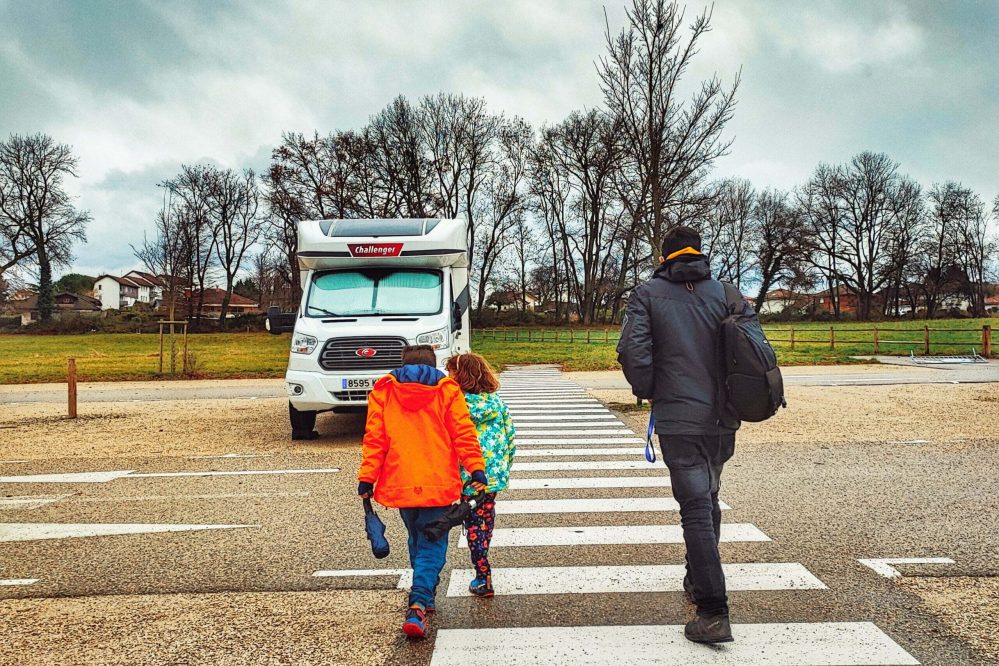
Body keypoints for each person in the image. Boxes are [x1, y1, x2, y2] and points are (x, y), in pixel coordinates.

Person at [616, 225, 753, 645]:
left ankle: (713, 610)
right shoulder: (728, 293)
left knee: (695, 504)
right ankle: (697, 580)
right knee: (708, 496)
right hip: (724, 415)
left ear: (665, 258)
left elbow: (632, 351)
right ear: (700, 255)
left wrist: (650, 389)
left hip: (678, 415)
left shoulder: (646, 295)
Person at [357, 345, 488, 639]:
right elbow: (463, 433)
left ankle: (425, 595)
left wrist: (367, 478)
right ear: (433, 366)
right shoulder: (447, 391)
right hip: (437, 482)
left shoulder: (384, 391)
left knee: (417, 537)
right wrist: (476, 468)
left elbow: (375, 439)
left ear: (403, 365)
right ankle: (418, 603)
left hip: (400, 481)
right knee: (433, 542)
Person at [445, 352, 516, 597]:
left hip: (468, 474)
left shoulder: (456, 405)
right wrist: (504, 467)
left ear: (459, 375)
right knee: (485, 517)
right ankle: (483, 560)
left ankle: (483, 575)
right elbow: (510, 437)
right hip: (493, 474)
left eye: (451, 372)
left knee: (473, 521)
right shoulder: (497, 403)